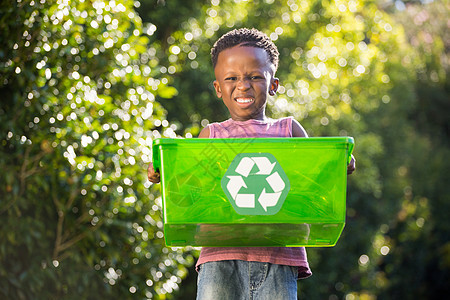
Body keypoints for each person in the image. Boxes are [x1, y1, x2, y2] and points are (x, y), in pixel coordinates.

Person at [148, 28, 356, 300]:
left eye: (255, 77)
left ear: (273, 85)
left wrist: (337, 164)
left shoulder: (288, 130)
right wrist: (163, 171)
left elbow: (312, 182)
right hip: (219, 256)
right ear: (218, 88)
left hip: (279, 257)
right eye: (231, 78)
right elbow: (192, 190)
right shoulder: (211, 135)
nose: (243, 85)